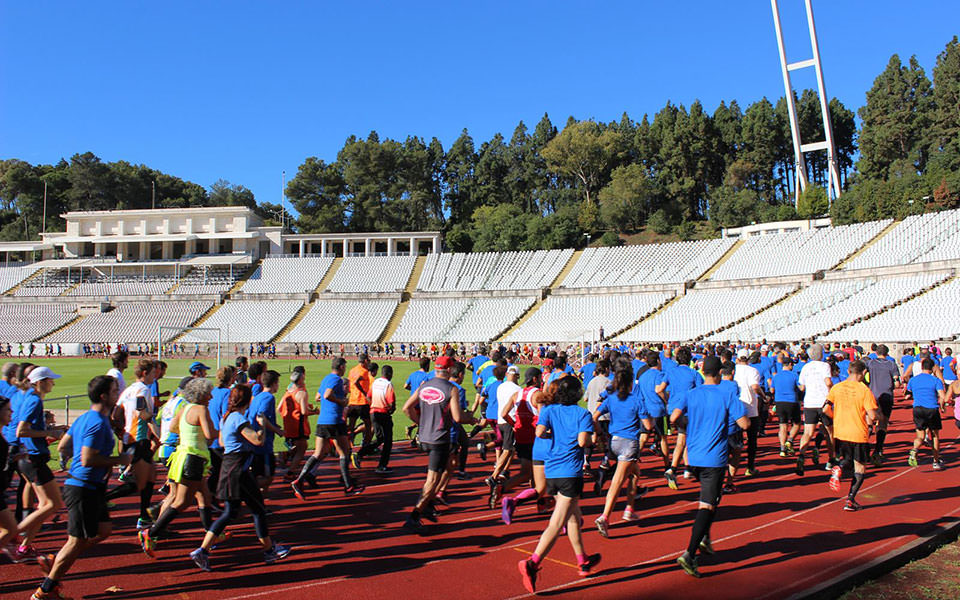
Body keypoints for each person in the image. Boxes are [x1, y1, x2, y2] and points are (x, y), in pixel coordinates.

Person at [31, 376, 131, 600]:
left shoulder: (88, 417)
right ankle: (45, 590)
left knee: (103, 530)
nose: (119, 393)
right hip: (83, 487)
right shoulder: (96, 422)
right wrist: (119, 459)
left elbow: (64, 446)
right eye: (115, 390)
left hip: (90, 486)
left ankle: (57, 562)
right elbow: (87, 459)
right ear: (104, 396)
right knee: (76, 541)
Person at [188, 386, 290, 571]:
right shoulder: (239, 419)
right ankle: (269, 550)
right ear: (247, 400)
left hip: (230, 466)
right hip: (239, 470)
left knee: (230, 512)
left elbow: (220, 441)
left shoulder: (227, 417)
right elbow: (257, 440)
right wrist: (262, 425)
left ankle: (203, 550)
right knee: (258, 510)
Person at [517, 376, 599, 594]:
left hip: (551, 470)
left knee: (573, 517)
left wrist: (557, 435)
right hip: (570, 473)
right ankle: (532, 563)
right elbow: (583, 441)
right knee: (557, 523)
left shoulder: (549, 411)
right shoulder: (583, 414)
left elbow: (539, 433)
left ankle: (583, 561)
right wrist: (593, 439)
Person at [672, 356, 750, 578]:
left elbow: (675, 415)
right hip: (713, 458)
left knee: (713, 499)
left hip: (693, 456)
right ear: (719, 374)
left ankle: (704, 537)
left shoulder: (691, 393)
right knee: (707, 506)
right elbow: (745, 423)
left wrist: (692, 426)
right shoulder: (727, 394)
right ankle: (689, 553)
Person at [139, 378, 217, 555]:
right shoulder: (201, 410)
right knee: (182, 501)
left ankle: (212, 532)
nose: (211, 396)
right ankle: (151, 533)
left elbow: (173, 427)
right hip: (194, 458)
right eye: (208, 393)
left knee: (205, 496)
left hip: (181, 455)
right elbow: (209, 435)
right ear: (202, 395)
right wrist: (222, 430)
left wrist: (189, 433)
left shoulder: (184, 409)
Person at [402, 356, 476, 530]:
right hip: (439, 438)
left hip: (425, 437)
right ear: (450, 370)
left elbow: (406, 408)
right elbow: (457, 417)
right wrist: (471, 419)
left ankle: (427, 506)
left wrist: (421, 423)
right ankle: (414, 516)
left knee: (445, 469)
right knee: (432, 480)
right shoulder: (451, 389)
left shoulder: (424, 386)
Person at [291, 357, 363, 499]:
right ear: (341, 367)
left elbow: (318, 396)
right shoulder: (336, 379)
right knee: (344, 453)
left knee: (317, 453)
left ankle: (299, 480)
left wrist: (331, 399)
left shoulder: (326, 379)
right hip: (334, 420)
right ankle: (348, 486)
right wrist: (340, 401)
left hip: (322, 420)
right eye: (345, 367)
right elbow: (326, 395)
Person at [15, 366, 66, 562]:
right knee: (52, 504)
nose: (53, 382)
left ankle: (24, 546)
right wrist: (49, 433)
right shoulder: (34, 400)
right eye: (50, 380)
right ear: (40, 382)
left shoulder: (30, 397)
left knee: (47, 505)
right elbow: (22, 431)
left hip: (32, 457)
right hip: (33, 459)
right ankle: (13, 534)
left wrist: (54, 429)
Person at [593, 363, 650, 537]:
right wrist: (649, 421)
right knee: (617, 482)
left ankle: (629, 508)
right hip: (629, 443)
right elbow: (647, 425)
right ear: (630, 383)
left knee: (634, 474)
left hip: (614, 441)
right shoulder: (635, 400)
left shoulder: (611, 398)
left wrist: (600, 432)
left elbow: (595, 415)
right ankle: (605, 516)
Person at [105, 359, 158, 530]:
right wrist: (157, 432)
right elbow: (142, 411)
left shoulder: (127, 390)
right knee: (141, 481)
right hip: (139, 439)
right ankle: (104, 500)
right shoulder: (142, 390)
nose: (155, 376)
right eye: (153, 373)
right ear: (144, 373)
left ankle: (145, 516)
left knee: (149, 478)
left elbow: (115, 414)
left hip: (131, 438)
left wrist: (121, 431)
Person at [826, 361, 879, 511]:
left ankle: (839, 467)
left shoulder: (837, 387)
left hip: (840, 430)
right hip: (857, 432)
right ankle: (850, 499)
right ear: (863, 373)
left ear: (849, 371)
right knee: (860, 467)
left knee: (847, 459)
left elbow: (825, 408)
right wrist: (878, 417)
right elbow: (872, 415)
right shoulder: (864, 391)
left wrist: (835, 417)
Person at [796, 344, 835, 475]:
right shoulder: (825, 366)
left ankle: (801, 455)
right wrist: (831, 392)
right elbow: (828, 382)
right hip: (823, 402)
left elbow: (801, 386)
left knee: (807, 432)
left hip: (809, 402)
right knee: (829, 432)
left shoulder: (806, 367)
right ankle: (831, 459)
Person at [488, 365, 523, 508]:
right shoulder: (517, 390)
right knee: (507, 449)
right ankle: (495, 474)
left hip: (500, 420)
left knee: (508, 448)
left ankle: (502, 471)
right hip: (510, 421)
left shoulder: (500, 387)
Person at [906, 358, 947, 470]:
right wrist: (943, 406)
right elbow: (943, 396)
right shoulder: (936, 380)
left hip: (918, 409)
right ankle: (936, 461)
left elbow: (909, 391)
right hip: (932, 409)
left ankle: (915, 449)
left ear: (922, 367)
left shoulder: (913, 380)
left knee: (920, 436)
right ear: (933, 368)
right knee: (934, 436)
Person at [247, 370, 284, 493]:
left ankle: (260, 505)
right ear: (274, 383)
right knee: (268, 477)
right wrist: (277, 430)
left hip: (256, 441)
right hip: (264, 443)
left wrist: (274, 425)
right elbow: (261, 417)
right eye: (278, 383)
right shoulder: (269, 398)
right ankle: (245, 490)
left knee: (259, 474)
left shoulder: (258, 397)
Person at [866, 345, 900, 465]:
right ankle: (878, 450)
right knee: (883, 423)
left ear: (876, 352)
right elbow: (897, 384)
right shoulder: (891, 364)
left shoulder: (870, 363)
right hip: (886, 396)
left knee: (869, 422)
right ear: (887, 353)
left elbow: (864, 375)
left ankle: (864, 447)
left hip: (872, 396)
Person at [278, 369, 315, 480]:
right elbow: (304, 412)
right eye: (303, 378)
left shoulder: (288, 390)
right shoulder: (301, 392)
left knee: (298, 445)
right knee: (302, 447)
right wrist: (315, 412)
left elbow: (279, 407)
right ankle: (290, 472)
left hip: (289, 422)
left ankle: (286, 454)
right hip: (298, 424)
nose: (305, 380)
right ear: (300, 380)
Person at [733, 349, 763, 477]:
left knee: (735, 440)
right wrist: (764, 396)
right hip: (751, 407)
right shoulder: (753, 371)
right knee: (752, 440)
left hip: (736, 407)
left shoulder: (734, 370)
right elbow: (755, 386)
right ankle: (750, 466)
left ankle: (732, 469)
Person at [365, 365, 397, 473]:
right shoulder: (388, 385)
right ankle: (382, 465)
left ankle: (360, 453)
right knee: (388, 440)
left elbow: (368, 396)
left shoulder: (376, 382)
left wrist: (373, 404)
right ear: (389, 374)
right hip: (383, 413)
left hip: (373, 412)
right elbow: (391, 402)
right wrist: (391, 410)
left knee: (380, 439)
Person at [770, 356, 801, 457]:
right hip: (792, 401)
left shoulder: (776, 376)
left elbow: (772, 390)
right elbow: (801, 387)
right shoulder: (794, 375)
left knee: (782, 426)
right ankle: (790, 440)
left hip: (779, 402)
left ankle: (782, 448)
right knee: (796, 424)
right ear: (790, 365)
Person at [346, 354, 374, 454]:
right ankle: (365, 447)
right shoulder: (364, 371)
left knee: (351, 426)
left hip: (352, 401)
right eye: (369, 360)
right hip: (362, 402)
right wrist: (364, 393)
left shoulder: (352, 370)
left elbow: (349, 385)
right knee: (369, 426)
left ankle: (347, 447)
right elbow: (356, 382)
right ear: (365, 361)